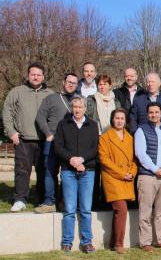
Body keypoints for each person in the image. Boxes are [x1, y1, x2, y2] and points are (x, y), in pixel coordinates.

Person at [3, 62, 54, 212]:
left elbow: (55, 116)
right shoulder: (17, 92)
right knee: (22, 170)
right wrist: (11, 132)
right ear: (28, 75)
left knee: (44, 170)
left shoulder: (50, 94)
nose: (36, 77)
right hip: (23, 139)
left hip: (45, 140)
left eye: (39, 75)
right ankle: (20, 199)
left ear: (43, 77)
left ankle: (42, 198)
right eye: (33, 74)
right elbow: (7, 113)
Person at [54, 96, 99, 253]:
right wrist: (71, 159)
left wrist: (82, 159)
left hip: (88, 172)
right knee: (69, 209)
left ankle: (87, 242)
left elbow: (95, 148)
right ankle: (67, 242)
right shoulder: (63, 124)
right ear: (71, 108)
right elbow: (58, 147)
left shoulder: (93, 125)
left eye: (80, 107)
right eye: (75, 107)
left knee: (86, 209)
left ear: (85, 108)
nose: (77, 110)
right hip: (68, 172)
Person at [135, 102, 161, 252]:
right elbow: (141, 153)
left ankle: (159, 239)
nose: (154, 114)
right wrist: (155, 169)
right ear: (147, 115)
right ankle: (145, 242)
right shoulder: (141, 131)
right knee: (145, 210)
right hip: (148, 176)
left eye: (156, 112)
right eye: (151, 112)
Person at [34, 73, 78, 213]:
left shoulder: (79, 101)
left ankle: (65, 202)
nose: (71, 84)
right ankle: (49, 201)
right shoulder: (51, 98)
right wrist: (47, 133)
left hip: (70, 143)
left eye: (74, 83)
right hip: (52, 141)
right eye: (69, 81)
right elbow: (40, 117)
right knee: (50, 171)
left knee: (68, 173)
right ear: (63, 82)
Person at [98, 108, 138, 254]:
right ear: (112, 120)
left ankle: (112, 242)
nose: (119, 120)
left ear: (125, 120)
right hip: (112, 178)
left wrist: (132, 173)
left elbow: (135, 159)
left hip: (127, 178)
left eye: (122, 118)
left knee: (119, 211)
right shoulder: (105, 137)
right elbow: (104, 160)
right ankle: (119, 244)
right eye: (117, 118)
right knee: (121, 209)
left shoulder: (130, 138)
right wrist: (122, 174)